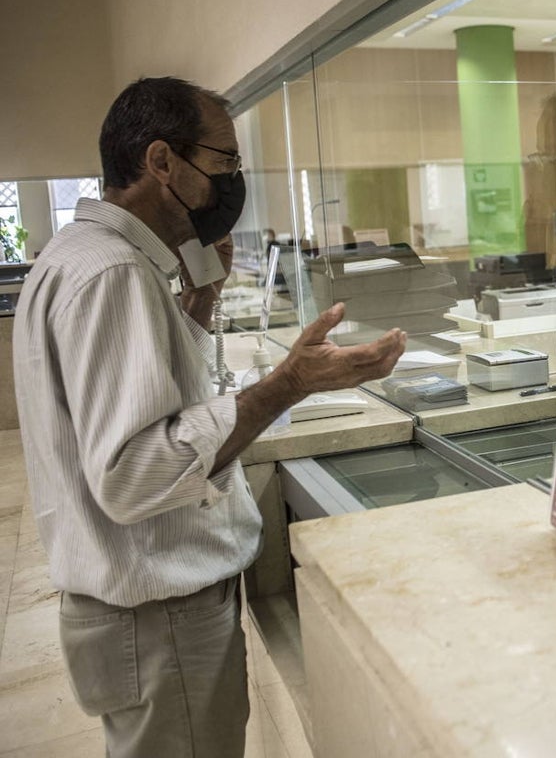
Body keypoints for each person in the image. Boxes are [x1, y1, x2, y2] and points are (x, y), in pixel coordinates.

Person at [13, 77, 406, 757]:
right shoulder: (114, 273)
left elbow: (146, 403)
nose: (232, 181)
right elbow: (134, 475)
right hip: (157, 618)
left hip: (135, 617)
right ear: (162, 162)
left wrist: (198, 303)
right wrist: (288, 384)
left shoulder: (79, 257)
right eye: (224, 162)